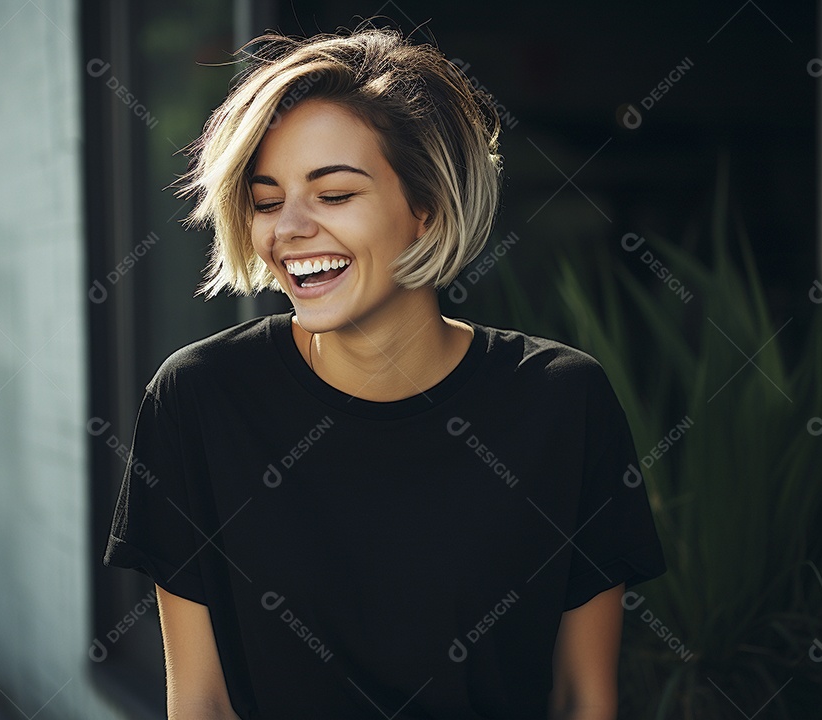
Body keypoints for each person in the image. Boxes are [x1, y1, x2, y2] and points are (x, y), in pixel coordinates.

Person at [104, 25, 665, 720]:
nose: (289, 230)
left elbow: (583, 699)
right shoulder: (198, 400)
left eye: (335, 195)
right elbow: (200, 702)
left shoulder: (561, 402)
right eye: (267, 199)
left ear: (426, 210)